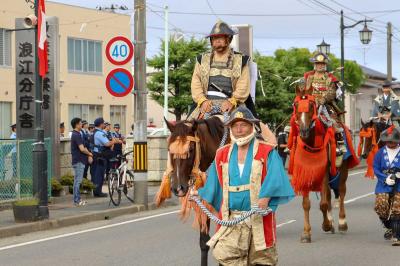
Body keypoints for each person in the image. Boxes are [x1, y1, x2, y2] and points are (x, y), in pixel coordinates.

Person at [194, 106, 294, 265]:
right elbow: (214, 183)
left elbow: (276, 177)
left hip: (259, 218)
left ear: (252, 126)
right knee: (227, 259)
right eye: (235, 125)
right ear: (230, 128)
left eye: (244, 125)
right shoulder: (222, 153)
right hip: (231, 219)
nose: (239, 129)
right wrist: (199, 192)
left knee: (262, 260)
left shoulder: (267, 151)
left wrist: (266, 197)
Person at [189, 20, 256, 119]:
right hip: (206, 105)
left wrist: (232, 101)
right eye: (214, 38)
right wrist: (202, 101)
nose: (217, 40)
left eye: (220, 37)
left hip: (232, 105)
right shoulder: (202, 60)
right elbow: (196, 83)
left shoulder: (241, 60)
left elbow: (243, 85)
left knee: (252, 129)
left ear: (228, 39)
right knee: (186, 129)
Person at [303, 52, 348, 167]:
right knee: (298, 116)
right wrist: (310, 98)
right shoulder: (309, 77)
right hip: (311, 103)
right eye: (318, 64)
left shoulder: (330, 78)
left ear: (325, 65)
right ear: (314, 64)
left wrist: (323, 99)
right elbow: (306, 89)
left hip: (326, 104)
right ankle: (291, 142)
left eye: (322, 64)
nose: (320, 66)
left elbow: (332, 92)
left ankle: (339, 144)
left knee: (334, 120)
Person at [373, 126, 400, 246]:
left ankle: (397, 236)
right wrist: (385, 178)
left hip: (399, 184)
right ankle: (389, 226)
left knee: (397, 209)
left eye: (392, 141)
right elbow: (375, 167)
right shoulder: (380, 153)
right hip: (384, 184)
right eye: (388, 141)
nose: (390, 143)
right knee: (380, 206)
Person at [70, 118, 93, 206]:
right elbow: (82, 149)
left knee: (77, 181)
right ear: (76, 125)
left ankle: (77, 199)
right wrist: (90, 154)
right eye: (80, 123)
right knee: (78, 181)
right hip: (79, 160)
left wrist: (88, 155)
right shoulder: (76, 135)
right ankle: (77, 200)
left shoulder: (77, 134)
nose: (81, 125)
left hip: (79, 160)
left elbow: (84, 147)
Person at [92, 117, 116, 197]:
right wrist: (114, 141)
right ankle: (98, 192)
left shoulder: (96, 132)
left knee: (97, 174)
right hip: (100, 156)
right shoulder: (99, 133)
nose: (104, 124)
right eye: (103, 123)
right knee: (99, 174)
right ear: (101, 124)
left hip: (97, 155)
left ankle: (97, 191)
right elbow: (107, 144)